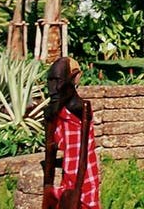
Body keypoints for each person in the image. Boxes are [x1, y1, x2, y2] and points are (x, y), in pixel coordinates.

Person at [42, 57, 100, 209]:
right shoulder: (55, 110)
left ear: (73, 78)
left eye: (58, 81)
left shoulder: (79, 107)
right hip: (69, 170)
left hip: (83, 173)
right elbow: (51, 147)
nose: (53, 88)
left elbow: (83, 156)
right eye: (50, 81)